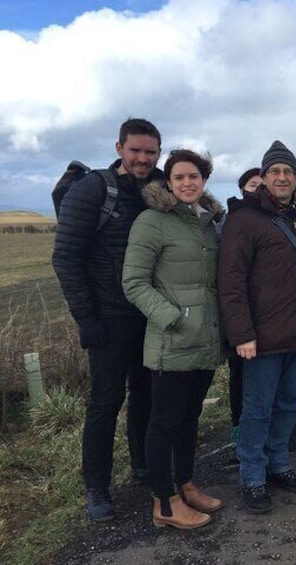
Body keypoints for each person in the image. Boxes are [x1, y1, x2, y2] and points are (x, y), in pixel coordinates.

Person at [52, 118, 163, 521]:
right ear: (119, 148)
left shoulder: (161, 187)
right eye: (135, 150)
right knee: (105, 402)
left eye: (150, 152)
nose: (142, 158)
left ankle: (143, 466)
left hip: (148, 315)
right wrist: (87, 320)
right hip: (108, 316)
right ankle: (97, 486)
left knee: (146, 395)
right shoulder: (93, 189)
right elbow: (65, 257)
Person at [122, 149, 225, 529]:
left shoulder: (208, 222)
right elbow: (133, 282)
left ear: (204, 180)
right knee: (163, 422)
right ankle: (164, 502)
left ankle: (186, 483)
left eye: (194, 176)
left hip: (206, 339)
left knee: (189, 417)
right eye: (179, 177)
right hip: (172, 340)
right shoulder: (152, 221)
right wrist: (172, 317)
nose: (187, 183)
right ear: (168, 181)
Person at [219, 140, 296, 513]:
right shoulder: (243, 219)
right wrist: (241, 333)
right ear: (263, 178)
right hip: (260, 336)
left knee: (291, 403)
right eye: (275, 171)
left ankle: (279, 464)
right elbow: (231, 281)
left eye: (288, 172)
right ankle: (252, 475)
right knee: (257, 408)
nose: (282, 177)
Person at [226, 167, 262, 444]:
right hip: (242, 314)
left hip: (270, 314)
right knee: (241, 374)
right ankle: (240, 427)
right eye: (252, 184)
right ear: (242, 189)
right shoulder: (234, 222)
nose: (258, 189)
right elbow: (231, 276)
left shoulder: (278, 219)